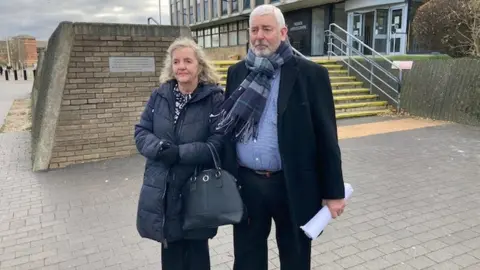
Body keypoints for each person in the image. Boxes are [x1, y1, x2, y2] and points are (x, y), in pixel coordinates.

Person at [216, 4, 347, 270]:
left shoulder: (311, 75)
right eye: (254, 30)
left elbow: (326, 138)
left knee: (295, 258)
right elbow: (229, 130)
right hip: (248, 184)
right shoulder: (237, 72)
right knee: (247, 258)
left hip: (292, 185)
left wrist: (334, 192)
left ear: (283, 32)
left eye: (267, 29)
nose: (259, 36)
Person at [134, 36, 224, 270]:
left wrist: (180, 153)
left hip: (196, 191)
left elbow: (218, 143)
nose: (181, 66)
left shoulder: (214, 98)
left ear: (199, 66)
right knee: (171, 256)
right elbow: (141, 132)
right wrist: (159, 148)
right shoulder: (159, 96)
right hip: (163, 191)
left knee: (197, 256)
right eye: (176, 62)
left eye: (187, 61)